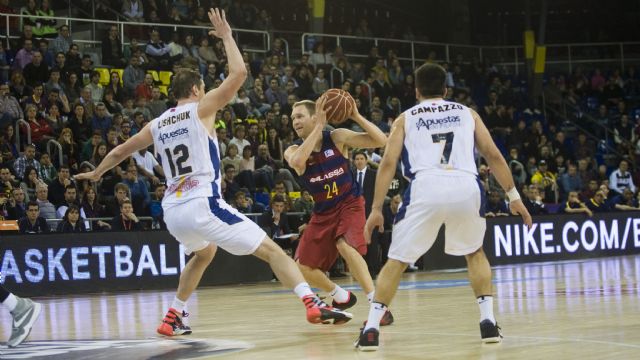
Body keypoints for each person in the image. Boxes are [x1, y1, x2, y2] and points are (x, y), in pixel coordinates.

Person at [75, 8, 351, 337]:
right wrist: (227, 37)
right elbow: (238, 74)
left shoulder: (157, 123)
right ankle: (311, 302)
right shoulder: (201, 108)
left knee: (204, 252)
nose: (206, 91)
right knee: (273, 251)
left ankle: (173, 315)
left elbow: (121, 151)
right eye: (203, 86)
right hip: (202, 201)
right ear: (195, 90)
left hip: (173, 211)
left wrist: (96, 174)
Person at [355, 63, 532, 351]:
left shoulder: (405, 118)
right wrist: (514, 196)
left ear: (416, 91)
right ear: (446, 90)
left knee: (397, 260)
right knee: (475, 253)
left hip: (426, 186)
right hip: (466, 184)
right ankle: (487, 321)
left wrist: (376, 208)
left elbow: (387, 163)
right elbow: (493, 155)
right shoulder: (467, 113)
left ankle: (372, 328)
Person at [284, 94, 393, 322]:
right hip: (323, 211)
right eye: (293, 117)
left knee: (344, 245)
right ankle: (340, 296)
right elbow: (297, 163)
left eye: (300, 116)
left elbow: (381, 141)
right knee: (301, 267)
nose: (295, 121)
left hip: (349, 202)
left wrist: (355, 115)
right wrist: (319, 127)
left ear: (316, 117)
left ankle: (378, 306)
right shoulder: (292, 150)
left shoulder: (337, 137)